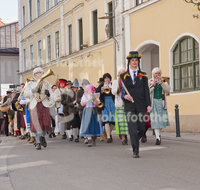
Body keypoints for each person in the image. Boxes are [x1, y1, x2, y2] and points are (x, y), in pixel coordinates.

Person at [120, 51, 151, 158]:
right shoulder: (123, 76)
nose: (134, 62)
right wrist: (124, 96)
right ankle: (135, 150)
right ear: (129, 62)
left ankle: (134, 139)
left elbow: (146, 91)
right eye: (132, 60)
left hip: (141, 105)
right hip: (129, 106)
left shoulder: (143, 75)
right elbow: (120, 92)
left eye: (136, 60)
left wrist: (149, 105)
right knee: (132, 128)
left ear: (138, 62)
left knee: (142, 128)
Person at [24, 67, 53, 150]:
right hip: (34, 104)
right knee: (37, 124)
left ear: (42, 73)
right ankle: (38, 142)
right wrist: (33, 91)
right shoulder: (30, 83)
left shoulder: (46, 83)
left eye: (40, 72)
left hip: (44, 104)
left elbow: (51, 94)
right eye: (36, 73)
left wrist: (48, 94)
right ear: (34, 74)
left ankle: (42, 137)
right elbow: (25, 94)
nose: (38, 74)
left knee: (45, 123)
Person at [149, 67, 170, 145]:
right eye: (156, 73)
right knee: (155, 120)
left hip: (161, 102)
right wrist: (153, 85)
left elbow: (168, 90)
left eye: (158, 73)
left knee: (161, 121)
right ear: (153, 74)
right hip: (153, 102)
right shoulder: (150, 81)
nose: (157, 75)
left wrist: (162, 83)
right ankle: (157, 137)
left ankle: (159, 134)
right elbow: (147, 91)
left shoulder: (164, 81)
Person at [96, 73, 115, 143]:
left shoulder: (113, 85)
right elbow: (96, 94)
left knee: (113, 121)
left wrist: (112, 89)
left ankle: (108, 133)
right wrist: (101, 91)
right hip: (104, 103)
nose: (107, 79)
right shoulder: (101, 85)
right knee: (106, 120)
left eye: (108, 78)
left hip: (112, 103)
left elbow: (116, 93)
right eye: (105, 78)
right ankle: (109, 137)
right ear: (104, 79)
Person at [112, 68, 128, 145]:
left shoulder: (128, 81)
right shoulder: (115, 82)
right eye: (121, 74)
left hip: (127, 103)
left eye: (124, 74)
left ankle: (125, 134)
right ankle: (123, 137)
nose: (123, 75)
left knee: (127, 121)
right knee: (121, 122)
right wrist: (119, 86)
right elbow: (113, 92)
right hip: (119, 103)